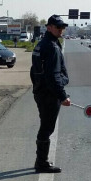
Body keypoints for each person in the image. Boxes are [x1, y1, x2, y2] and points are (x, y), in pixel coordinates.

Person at [29, 15, 71, 173]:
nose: (61, 30)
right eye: (58, 27)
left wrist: (37, 87)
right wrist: (62, 96)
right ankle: (41, 163)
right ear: (49, 27)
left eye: (62, 27)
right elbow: (53, 76)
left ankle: (41, 161)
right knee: (47, 128)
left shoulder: (43, 44)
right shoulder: (51, 47)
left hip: (42, 91)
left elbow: (34, 71)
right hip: (49, 94)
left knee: (45, 126)